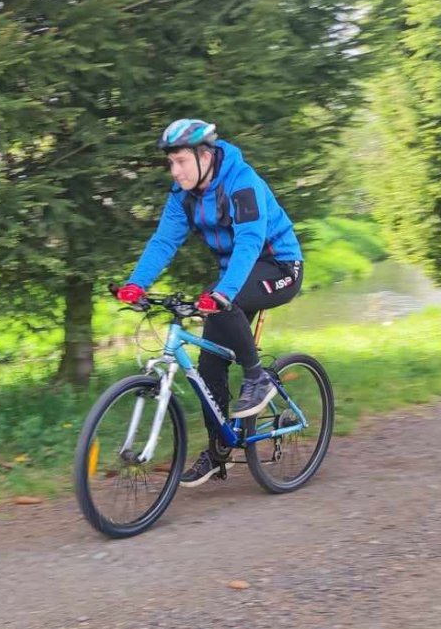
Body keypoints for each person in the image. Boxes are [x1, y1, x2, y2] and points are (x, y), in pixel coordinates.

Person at [116, 118, 305, 487]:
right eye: (171, 163)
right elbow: (164, 241)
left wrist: (224, 292)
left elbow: (250, 241)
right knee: (208, 366)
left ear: (205, 156)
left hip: (279, 267)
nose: (175, 171)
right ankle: (219, 449)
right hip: (235, 277)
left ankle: (257, 377)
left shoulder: (241, 181)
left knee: (221, 300)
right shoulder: (182, 194)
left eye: (181, 161)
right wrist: (136, 284)